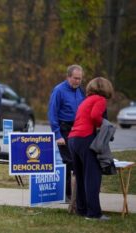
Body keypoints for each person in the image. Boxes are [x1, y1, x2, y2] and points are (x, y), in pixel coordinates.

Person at [68, 77, 114, 221]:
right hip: (85, 138)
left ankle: (81, 210)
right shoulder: (100, 99)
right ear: (105, 88)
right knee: (92, 177)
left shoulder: (85, 100)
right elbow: (95, 116)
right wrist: (105, 124)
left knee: (80, 176)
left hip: (73, 139)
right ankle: (94, 213)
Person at [47, 64, 85, 201]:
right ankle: (67, 194)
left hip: (78, 128)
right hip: (64, 128)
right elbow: (52, 113)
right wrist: (57, 134)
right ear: (68, 77)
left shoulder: (80, 90)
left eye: (80, 79)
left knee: (78, 161)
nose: (78, 81)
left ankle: (77, 193)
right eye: (75, 78)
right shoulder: (59, 90)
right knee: (69, 162)